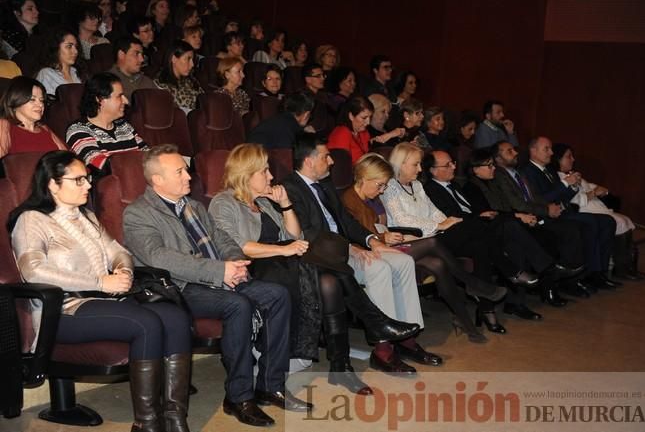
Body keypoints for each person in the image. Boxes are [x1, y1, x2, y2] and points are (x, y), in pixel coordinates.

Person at [123, 144, 312, 427]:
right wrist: (218, 270)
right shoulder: (138, 213)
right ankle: (238, 396)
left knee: (277, 294)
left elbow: (221, 240)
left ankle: (269, 384)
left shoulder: (194, 206)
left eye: (186, 169)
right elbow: (159, 257)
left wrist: (236, 264)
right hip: (178, 287)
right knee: (238, 305)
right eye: (180, 171)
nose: (188, 176)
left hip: (215, 276)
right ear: (158, 180)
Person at [9, 150, 193, 432]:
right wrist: (100, 282)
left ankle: (175, 420)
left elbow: (119, 252)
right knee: (146, 323)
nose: (89, 185)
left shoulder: (86, 217)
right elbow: (33, 271)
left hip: (104, 301)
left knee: (175, 317)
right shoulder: (31, 220)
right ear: (52, 185)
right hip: (61, 311)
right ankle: (147, 424)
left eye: (88, 178)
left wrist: (123, 272)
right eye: (79, 180)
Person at [209, 143, 379, 395]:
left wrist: (286, 204)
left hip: (283, 263)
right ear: (246, 174)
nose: (271, 176)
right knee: (324, 271)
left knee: (329, 281)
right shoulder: (224, 202)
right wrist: (283, 250)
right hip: (253, 268)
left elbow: (294, 234)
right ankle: (374, 321)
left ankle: (341, 363)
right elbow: (238, 246)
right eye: (264, 171)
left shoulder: (265, 203)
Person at [283, 137, 424, 375]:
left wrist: (372, 241)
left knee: (403, 261)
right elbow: (308, 233)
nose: (331, 161)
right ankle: (383, 349)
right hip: (323, 255)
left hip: (345, 249)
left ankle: (408, 340)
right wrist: (350, 247)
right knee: (379, 268)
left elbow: (346, 220)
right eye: (325, 156)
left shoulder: (325, 184)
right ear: (309, 161)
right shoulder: (290, 188)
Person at [342, 153, 509, 343]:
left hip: (388, 243)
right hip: (374, 250)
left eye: (384, 186)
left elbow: (375, 229)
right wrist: (384, 236)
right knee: (432, 243)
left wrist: (388, 235)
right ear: (364, 179)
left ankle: (468, 324)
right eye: (379, 185)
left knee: (437, 264)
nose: (382, 190)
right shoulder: (349, 199)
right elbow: (354, 234)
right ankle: (471, 283)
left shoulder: (367, 198)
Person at [381, 143, 516, 333]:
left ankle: (477, 312)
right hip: (410, 239)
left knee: (477, 243)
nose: (420, 169)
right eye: (415, 165)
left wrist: (446, 221)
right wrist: (439, 225)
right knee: (477, 226)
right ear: (401, 165)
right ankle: (501, 274)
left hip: (432, 235)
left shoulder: (417, 185)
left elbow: (432, 210)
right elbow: (402, 218)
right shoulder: (389, 187)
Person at [424, 149, 567, 320]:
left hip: (475, 230)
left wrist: (483, 216)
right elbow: (452, 217)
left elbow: (473, 211)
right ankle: (535, 270)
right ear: (433, 170)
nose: (453, 167)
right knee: (511, 225)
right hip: (455, 234)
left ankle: (490, 309)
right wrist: (482, 216)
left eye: (453, 162)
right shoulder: (431, 189)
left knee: (497, 243)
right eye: (447, 165)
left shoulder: (455, 185)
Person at [520, 136, 618, 291]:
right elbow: (540, 199)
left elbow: (561, 196)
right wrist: (566, 183)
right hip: (544, 215)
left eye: (551, 149)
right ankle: (582, 275)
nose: (551, 153)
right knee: (588, 223)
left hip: (561, 211)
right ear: (533, 151)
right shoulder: (527, 172)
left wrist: (572, 187)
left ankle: (599, 272)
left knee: (608, 221)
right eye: (546, 149)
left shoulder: (548, 171)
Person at [550, 143, 645, 281]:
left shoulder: (573, 175)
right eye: (568, 156)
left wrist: (601, 190)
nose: (573, 159)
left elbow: (590, 186)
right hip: (585, 210)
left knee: (625, 220)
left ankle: (625, 267)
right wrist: (593, 192)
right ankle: (618, 268)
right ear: (558, 159)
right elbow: (575, 200)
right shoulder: (559, 178)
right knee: (618, 221)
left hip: (596, 206)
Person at [67, 72, 147, 174]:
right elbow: (102, 166)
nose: (126, 101)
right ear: (100, 99)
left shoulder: (124, 126)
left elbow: (150, 157)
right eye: (119, 96)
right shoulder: (78, 130)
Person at [0, 77, 66, 157]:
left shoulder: (44, 128)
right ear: (15, 100)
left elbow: (69, 158)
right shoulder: (4, 125)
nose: (40, 105)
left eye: (41, 100)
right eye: (32, 100)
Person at [248, 91, 314, 149]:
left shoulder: (279, 120)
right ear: (306, 114)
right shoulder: (289, 127)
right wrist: (309, 138)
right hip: (255, 161)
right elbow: (287, 159)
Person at [154, 40, 203, 114]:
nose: (192, 64)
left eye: (192, 60)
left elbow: (204, 101)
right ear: (174, 59)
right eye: (188, 59)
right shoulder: (160, 84)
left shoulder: (192, 81)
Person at [35, 28, 83, 97]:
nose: (76, 51)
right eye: (69, 46)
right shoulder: (47, 74)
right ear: (56, 48)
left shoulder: (78, 73)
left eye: (76, 47)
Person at [108, 37, 156, 101]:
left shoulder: (146, 81)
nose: (142, 59)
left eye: (142, 55)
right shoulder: (107, 82)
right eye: (136, 54)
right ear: (121, 54)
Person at [327, 95, 373, 163]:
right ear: (351, 116)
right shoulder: (341, 134)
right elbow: (341, 165)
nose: (368, 122)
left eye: (370, 117)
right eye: (364, 118)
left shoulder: (364, 132)